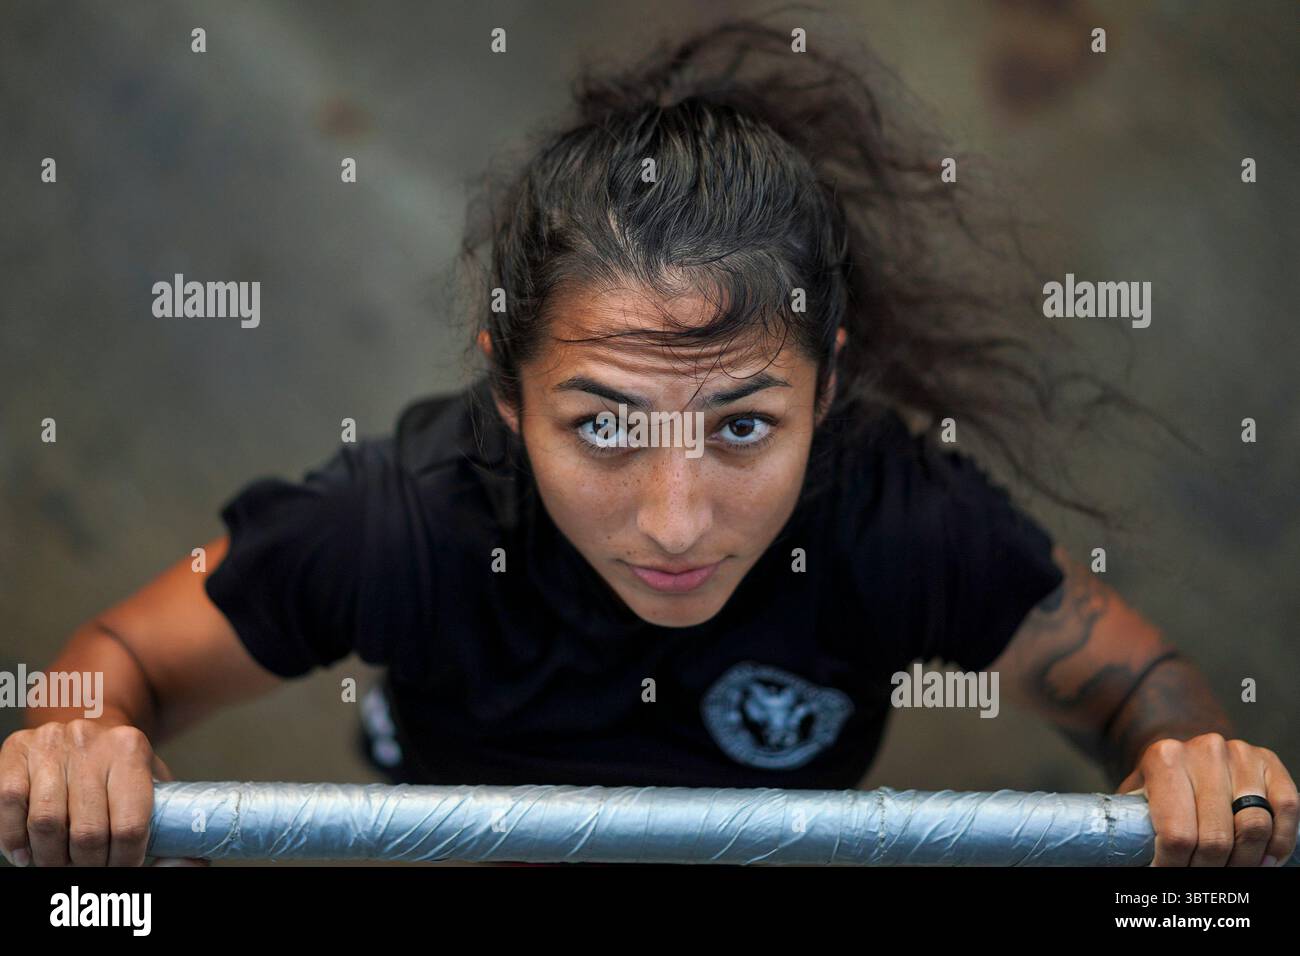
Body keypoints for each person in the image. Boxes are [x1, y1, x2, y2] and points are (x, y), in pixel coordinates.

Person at [1, 18, 1294, 869]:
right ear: (508, 400)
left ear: (827, 390)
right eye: (605, 425)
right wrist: (84, 737)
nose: (677, 519)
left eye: (742, 425)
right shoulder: (409, 519)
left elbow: (1134, 687)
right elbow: (115, 663)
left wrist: (1183, 766)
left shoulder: (893, 517)